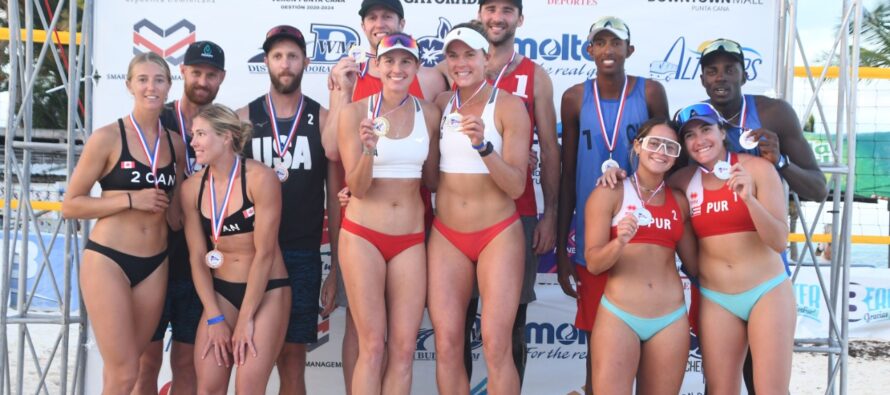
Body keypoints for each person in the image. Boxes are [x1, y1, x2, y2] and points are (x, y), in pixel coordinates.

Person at [323, 2, 448, 391]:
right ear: (375, 67)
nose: (397, 69)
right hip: (363, 235)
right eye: (389, 61)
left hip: (410, 238)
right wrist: (368, 149)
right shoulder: (352, 112)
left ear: (415, 68)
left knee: (404, 348)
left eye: (405, 62)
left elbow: (431, 181)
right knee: (372, 345)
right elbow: (357, 187)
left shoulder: (429, 113)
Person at [697, 38, 827, 393]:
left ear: (744, 73)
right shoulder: (696, 121)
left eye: (729, 68)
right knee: (719, 386)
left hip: (765, 265)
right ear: (702, 79)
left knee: (764, 383)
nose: (720, 77)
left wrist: (781, 161)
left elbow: (818, 189)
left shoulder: (773, 113)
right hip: (717, 279)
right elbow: (667, 175)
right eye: (712, 70)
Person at [555, 16, 668, 394]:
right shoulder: (573, 97)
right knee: (597, 338)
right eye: (600, 43)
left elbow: (667, 157)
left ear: (629, 51)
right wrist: (562, 249)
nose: (608, 50)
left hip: (642, 229)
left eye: (615, 43)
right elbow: (568, 174)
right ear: (589, 50)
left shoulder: (650, 92)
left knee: (643, 333)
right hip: (593, 236)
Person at [61, 52, 185, 394]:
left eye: (159, 80)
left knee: (132, 368)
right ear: (129, 85)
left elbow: (176, 212)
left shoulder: (175, 144)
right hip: (109, 260)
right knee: (124, 372)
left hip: (154, 264)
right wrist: (131, 199)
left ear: (169, 86)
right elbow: (71, 205)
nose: (151, 87)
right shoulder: (107, 137)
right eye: (143, 79)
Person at [457, 1, 561, 386]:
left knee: (510, 329)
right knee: (457, 328)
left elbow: (550, 149)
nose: (497, 17)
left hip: (517, 213)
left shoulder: (536, 75)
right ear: (479, 14)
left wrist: (549, 215)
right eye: (489, 8)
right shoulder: (454, 67)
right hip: (458, 217)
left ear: (520, 18)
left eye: (506, 10)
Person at [428, 23, 530, 394]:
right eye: (453, 55)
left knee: (496, 344)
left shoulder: (508, 105)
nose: (460, 63)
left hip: (497, 233)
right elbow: (420, 171)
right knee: (447, 345)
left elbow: (517, 185)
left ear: (486, 58)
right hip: (447, 235)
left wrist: (485, 147)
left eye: (469, 54)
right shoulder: (439, 104)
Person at [235, 25, 335, 395]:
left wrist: (335, 265)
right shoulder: (243, 118)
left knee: (293, 360)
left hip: (301, 254)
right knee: (250, 355)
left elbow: (335, 196)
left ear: (306, 62)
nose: (285, 63)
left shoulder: (322, 119)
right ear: (266, 63)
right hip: (250, 253)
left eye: (292, 55)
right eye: (277, 56)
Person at [671, 102, 795, 394]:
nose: (699, 140)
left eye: (705, 129)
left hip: (767, 292)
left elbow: (779, 241)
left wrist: (749, 199)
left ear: (723, 131)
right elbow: (643, 195)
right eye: (689, 135)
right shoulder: (682, 182)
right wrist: (616, 180)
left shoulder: (758, 169)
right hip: (718, 299)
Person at [134, 40, 226, 395]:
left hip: (199, 265)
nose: (203, 81)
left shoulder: (222, 126)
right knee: (147, 363)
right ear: (183, 72)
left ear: (221, 79)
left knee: (187, 365)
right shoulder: (158, 117)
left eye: (211, 75)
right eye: (197, 72)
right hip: (153, 260)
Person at [181, 104, 291, 394]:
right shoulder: (192, 188)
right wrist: (215, 316)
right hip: (222, 293)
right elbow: (197, 257)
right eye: (193, 134)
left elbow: (265, 253)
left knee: (248, 389)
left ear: (227, 137)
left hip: (267, 290)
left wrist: (246, 320)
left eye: (201, 134)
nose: (193, 142)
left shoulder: (260, 178)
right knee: (208, 387)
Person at [585, 119, 696, 394]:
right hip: (620, 315)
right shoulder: (609, 192)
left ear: (676, 156)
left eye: (670, 147)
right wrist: (619, 242)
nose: (661, 151)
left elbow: (696, 265)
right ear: (637, 146)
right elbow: (594, 263)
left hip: (670, 319)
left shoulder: (680, 201)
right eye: (654, 143)